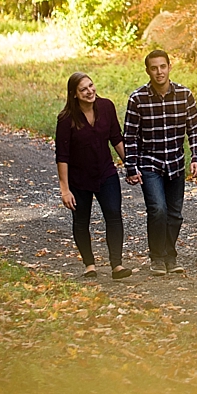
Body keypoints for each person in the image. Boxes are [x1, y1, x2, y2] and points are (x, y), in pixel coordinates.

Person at [123, 49, 197, 276]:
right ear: (148, 70)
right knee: (158, 209)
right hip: (150, 163)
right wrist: (131, 166)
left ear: (169, 67)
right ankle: (158, 257)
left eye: (162, 66)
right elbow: (129, 136)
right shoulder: (137, 99)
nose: (159, 72)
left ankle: (170, 255)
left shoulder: (184, 95)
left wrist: (196, 157)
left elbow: (195, 128)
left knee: (175, 214)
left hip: (176, 163)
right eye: (154, 68)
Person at [55, 72, 132, 280]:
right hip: (79, 179)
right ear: (74, 94)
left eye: (91, 86)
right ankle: (89, 265)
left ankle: (117, 265)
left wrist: (131, 166)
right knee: (81, 221)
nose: (89, 91)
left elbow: (116, 138)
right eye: (83, 89)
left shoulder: (106, 107)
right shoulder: (66, 119)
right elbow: (62, 156)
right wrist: (65, 189)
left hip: (106, 172)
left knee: (114, 215)